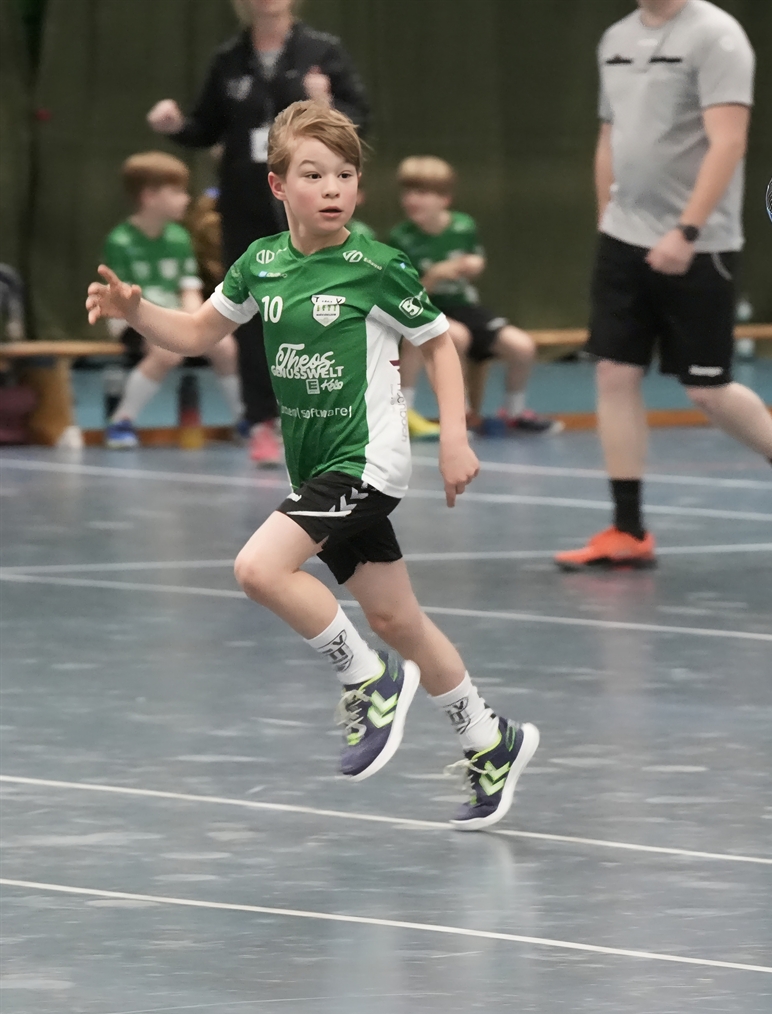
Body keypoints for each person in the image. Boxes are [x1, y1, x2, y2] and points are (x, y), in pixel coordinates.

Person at [85, 101, 539, 830]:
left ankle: (368, 681)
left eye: (346, 175)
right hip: (315, 468)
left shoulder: (376, 266)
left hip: (365, 461)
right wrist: (135, 312)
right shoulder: (261, 263)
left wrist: (454, 436)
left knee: (259, 570)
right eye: (314, 174)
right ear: (278, 186)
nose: (333, 188)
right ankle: (490, 740)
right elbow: (197, 332)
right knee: (396, 617)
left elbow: (438, 342)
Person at [555, 0, 772, 570]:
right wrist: (608, 220)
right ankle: (628, 529)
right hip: (623, 238)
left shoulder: (717, 35)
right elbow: (610, 135)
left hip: (701, 244)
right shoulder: (615, 39)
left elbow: (728, 141)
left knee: (706, 388)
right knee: (614, 372)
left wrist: (686, 230)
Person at [147, 0, 370, 468]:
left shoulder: (322, 52)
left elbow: (358, 120)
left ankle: (329, 421)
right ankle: (262, 421)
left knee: (318, 306)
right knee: (252, 310)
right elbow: (205, 127)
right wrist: (176, 126)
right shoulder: (229, 59)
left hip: (306, 202)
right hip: (244, 204)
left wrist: (325, 103)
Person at [389, 155, 560, 436]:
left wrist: (474, 265)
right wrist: (434, 276)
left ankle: (514, 412)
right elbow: (404, 294)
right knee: (456, 336)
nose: (411, 200)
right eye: (407, 192)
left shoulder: (463, 226)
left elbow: (476, 260)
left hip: (465, 307)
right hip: (426, 307)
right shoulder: (401, 237)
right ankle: (458, 415)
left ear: (444, 199)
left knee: (522, 347)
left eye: (421, 193)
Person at [101, 152, 243, 449]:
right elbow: (123, 300)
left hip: (174, 316)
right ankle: (122, 420)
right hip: (131, 318)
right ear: (149, 197)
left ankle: (244, 420)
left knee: (225, 346)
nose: (186, 199)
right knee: (167, 353)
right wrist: (162, 321)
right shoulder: (120, 241)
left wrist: (197, 321)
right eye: (177, 192)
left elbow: (189, 290)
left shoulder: (179, 238)